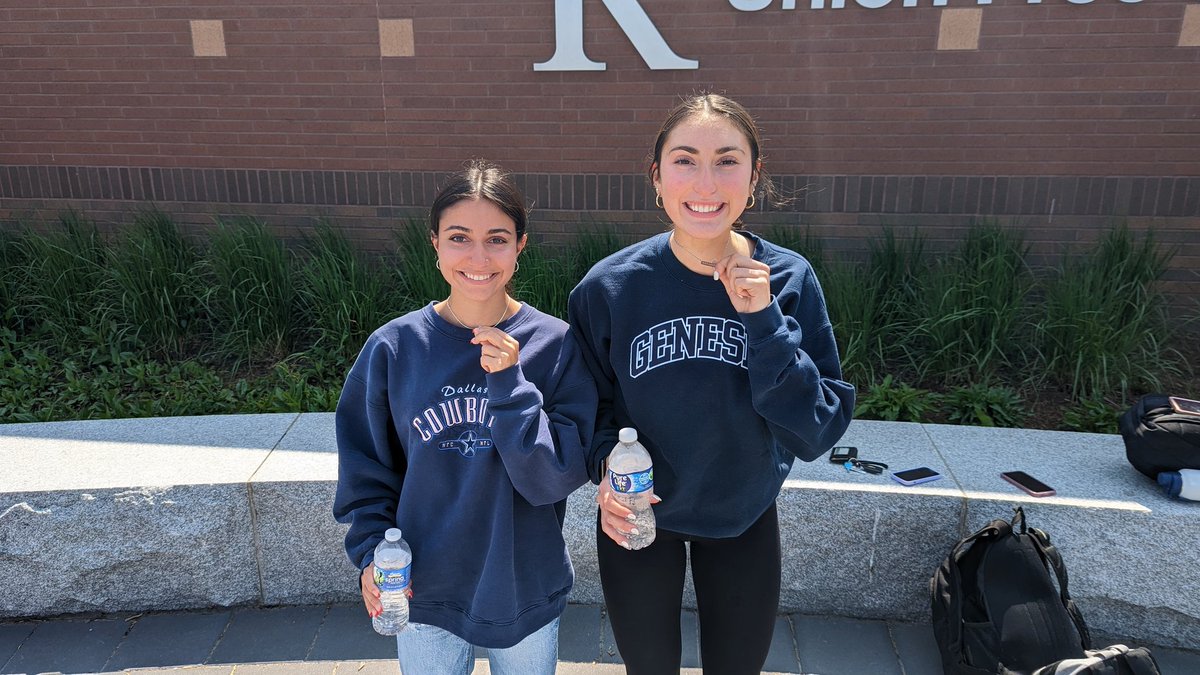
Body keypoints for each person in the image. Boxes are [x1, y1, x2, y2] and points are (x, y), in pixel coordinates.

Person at [567, 94, 856, 674]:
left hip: (743, 516)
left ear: (753, 179)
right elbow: (583, 408)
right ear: (656, 177)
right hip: (639, 517)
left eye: (727, 160)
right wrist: (604, 468)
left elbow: (817, 429)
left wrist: (763, 321)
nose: (706, 181)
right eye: (684, 160)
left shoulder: (790, 279)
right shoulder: (610, 289)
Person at [333, 160, 597, 675]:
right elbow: (365, 470)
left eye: (497, 238)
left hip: (523, 586)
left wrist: (509, 385)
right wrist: (370, 553)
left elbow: (555, 479)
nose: (478, 256)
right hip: (422, 587)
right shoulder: (394, 348)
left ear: (520, 246)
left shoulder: (556, 345)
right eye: (459, 237)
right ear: (434, 243)